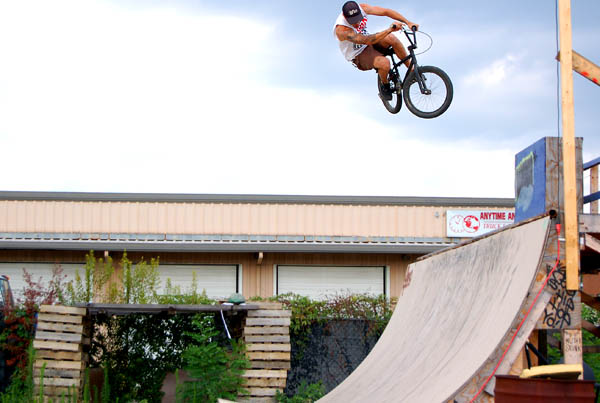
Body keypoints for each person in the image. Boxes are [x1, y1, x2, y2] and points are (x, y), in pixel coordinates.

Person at [334, 2, 419, 100]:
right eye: (353, 22)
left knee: (392, 38)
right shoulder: (341, 30)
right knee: (385, 63)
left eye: (358, 19)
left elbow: (386, 11)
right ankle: (385, 85)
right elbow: (367, 41)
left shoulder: (363, 8)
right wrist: (389, 29)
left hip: (371, 40)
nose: (357, 23)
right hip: (358, 54)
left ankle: (412, 71)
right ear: (345, 17)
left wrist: (408, 22)